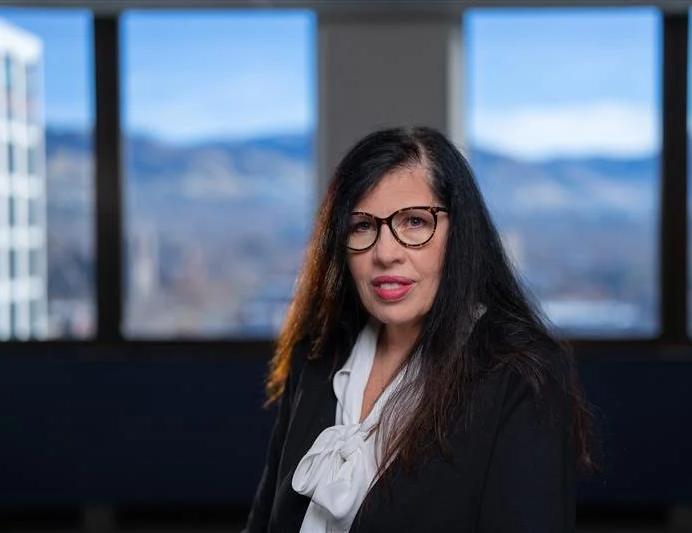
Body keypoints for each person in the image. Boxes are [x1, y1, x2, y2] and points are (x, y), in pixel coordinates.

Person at [242, 126, 595, 533]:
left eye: (414, 222)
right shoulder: (317, 354)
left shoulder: (520, 375)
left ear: (459, 233)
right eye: (361, 226)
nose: (385, 252)